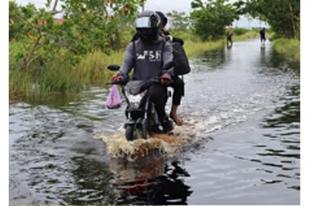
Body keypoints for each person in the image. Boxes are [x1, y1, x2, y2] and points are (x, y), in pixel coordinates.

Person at [112, 11, 174, 132]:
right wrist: (120, 75)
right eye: (141, 26)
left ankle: (164, 121)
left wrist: (166, 74)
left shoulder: (164, 45)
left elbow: (168, 61)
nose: (144, 30)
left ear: (155, 25)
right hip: (136, 87)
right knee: (130, 106)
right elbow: (126, 64)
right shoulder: (133, 46)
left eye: (147, 26)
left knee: (163, 120)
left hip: (157, 85)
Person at [155, 11, 185, 126]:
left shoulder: (165, 36)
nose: (159, 25)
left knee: (179, 83)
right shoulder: (141, 35)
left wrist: (169, 38)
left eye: (161, 23)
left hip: (163, 70)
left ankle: (173, 113)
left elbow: (180, 41)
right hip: (145, 70)